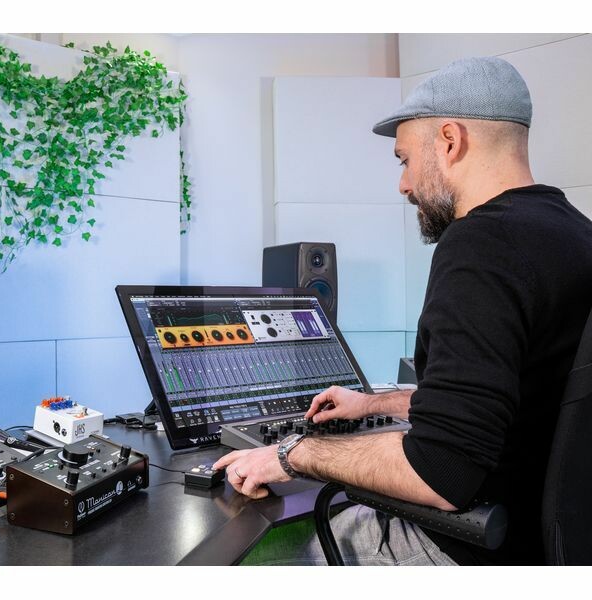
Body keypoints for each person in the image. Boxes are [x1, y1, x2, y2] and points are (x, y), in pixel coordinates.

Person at [214, 56, 592, 565]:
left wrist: (292, 453)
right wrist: (372, 405)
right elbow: (505, 402)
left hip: (469, 548)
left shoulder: (480, 245)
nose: (404, 185)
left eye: (405, 160)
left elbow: (443, 471)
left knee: (271, 556)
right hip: (541, 537)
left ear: (450, 141)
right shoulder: (575, 234)